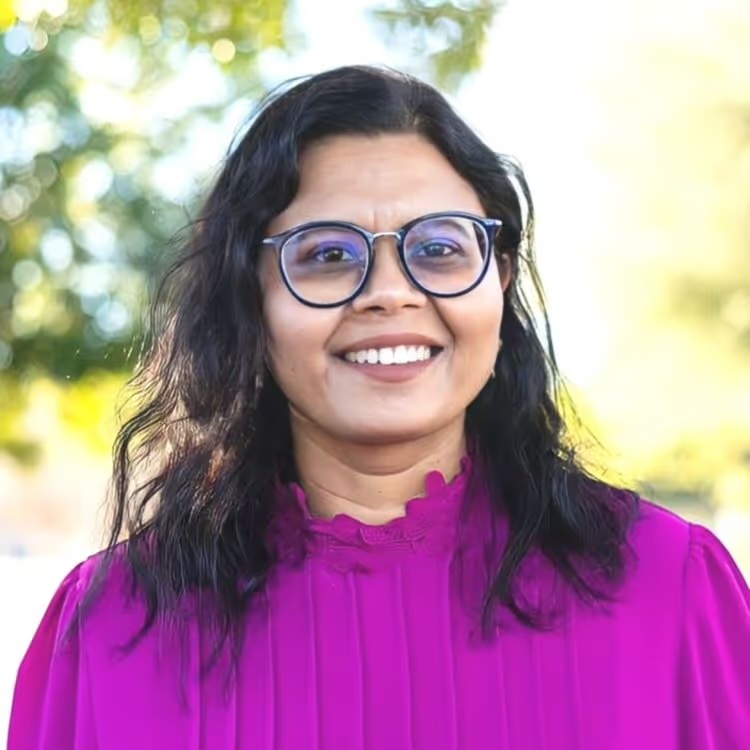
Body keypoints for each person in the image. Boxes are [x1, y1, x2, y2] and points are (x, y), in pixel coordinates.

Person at [8, 65, 750, 750]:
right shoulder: (108, 632)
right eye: (328, 255)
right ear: (250, 298)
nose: (390, 293)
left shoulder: (672, 589)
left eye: (440, 248)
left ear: (500, 280)